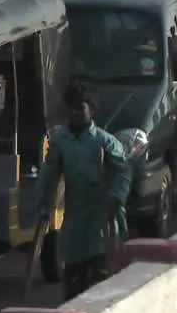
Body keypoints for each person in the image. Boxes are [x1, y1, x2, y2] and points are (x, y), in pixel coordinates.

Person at [36, 84, 132, 299]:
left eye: (80, 108)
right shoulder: (60, 141)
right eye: (71, 108)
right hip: (75, 216)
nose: (75, 113)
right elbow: (49, 174)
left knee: (102, 278)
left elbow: (122, 173)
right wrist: (44, 202)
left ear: (92, 110)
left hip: (102, 216)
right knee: (73, 276)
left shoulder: (105, 142)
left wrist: (115, 198)